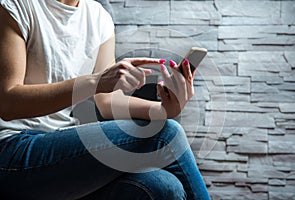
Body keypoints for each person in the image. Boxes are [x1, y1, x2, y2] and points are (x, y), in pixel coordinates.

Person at [0, 0, 210, 199]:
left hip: (62, 151)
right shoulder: (16, 6)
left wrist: (164, 110)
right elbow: (8, 103)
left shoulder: (99, 17)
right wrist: (95, 81)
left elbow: (107, 103)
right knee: (168, 134)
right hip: (13, 149)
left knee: (164, 187)